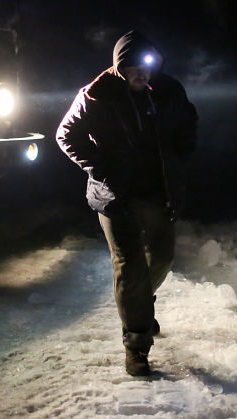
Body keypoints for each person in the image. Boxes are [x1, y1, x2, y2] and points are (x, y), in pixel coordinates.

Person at [56, 29, 197, 376]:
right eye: (132, 66)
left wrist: (179, 157)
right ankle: (136, 345)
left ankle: (140, 306)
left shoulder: (169, 91)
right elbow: (66, 135)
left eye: (146, 65)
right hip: (115, 196)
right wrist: (101, 168)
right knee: (130, 267)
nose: (141, 72)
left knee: (162, 257)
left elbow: (188, 122)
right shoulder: (96, 94)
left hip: (156, 192)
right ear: (120, 67)